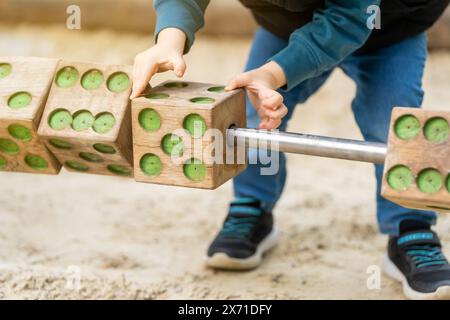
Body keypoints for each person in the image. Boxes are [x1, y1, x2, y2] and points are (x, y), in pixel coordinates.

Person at [131, 0, 450, 299]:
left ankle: (411, 228)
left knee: (393, 126)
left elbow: (348, 19)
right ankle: (251, 205)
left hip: (391, 28)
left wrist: (272, 74)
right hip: (287, 26)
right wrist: (169, 40)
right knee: (253, 115)